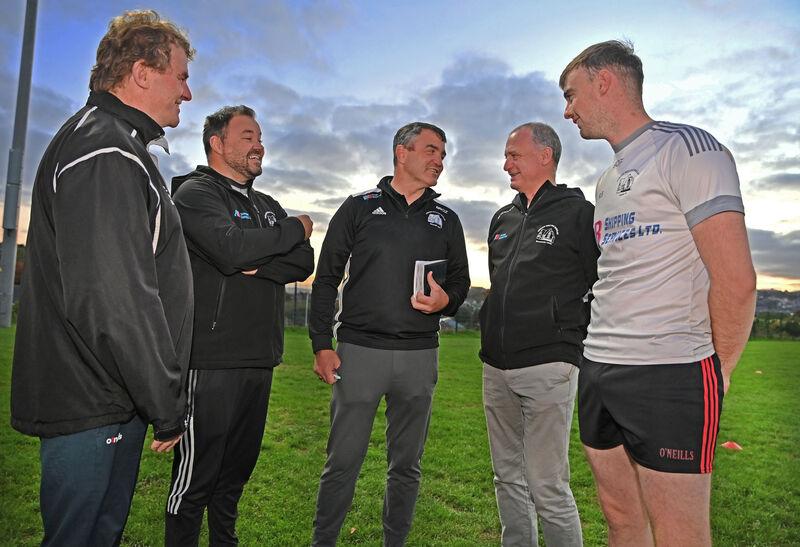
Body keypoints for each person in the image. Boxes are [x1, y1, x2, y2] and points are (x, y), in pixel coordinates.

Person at [559, 40, 757, 545]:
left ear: (604, 81)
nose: (568, 111)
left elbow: (736, 279)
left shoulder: (688, 149)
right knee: (620, 521)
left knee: (679, 536)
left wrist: (718, 372)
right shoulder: (607, 180)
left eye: (571, 95)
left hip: (669, 372)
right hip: (599, 366)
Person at [10, 10, 195, 546]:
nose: (187, 92)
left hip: (109, 396)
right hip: (93, 399)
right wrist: (165, 403)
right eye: (181, 76)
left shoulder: (118, 144)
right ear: (142, 72)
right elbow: (115, 298)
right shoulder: (104, 149)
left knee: (100, 534)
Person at [309, 122, 470, 546]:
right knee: (342, 461)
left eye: (443, 154)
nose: (440, 160)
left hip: (419, 356)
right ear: (402, 152)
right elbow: (325, 280)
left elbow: (460, 283)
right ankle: (323, 541)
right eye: (431, 150)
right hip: (360, 352)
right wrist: (322, 344)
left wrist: (446, 301)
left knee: (407, 466)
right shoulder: (358, 207)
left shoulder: (447, 220)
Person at [165, 105, 315, 545]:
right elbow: (230, 249)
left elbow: (303, 262)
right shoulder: (195, 193)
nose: (259, 145)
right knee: (194, 482)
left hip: (259, 358)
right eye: (248, 136)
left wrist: (259, 263)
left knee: (233, 479)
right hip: (212, 361)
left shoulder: (266, 206)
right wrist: (296, 228)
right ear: (217, 143)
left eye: (260, 137)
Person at [479, 122, 598, 546]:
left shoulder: (579, 214)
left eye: (514, 155)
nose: (506, 164)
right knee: (506, 477)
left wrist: (572, 337)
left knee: (547, 483)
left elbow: (603, 284)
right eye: (506, 156)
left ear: (545, 156)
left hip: (549, 364)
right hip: (495, 366)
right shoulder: (502, 218)